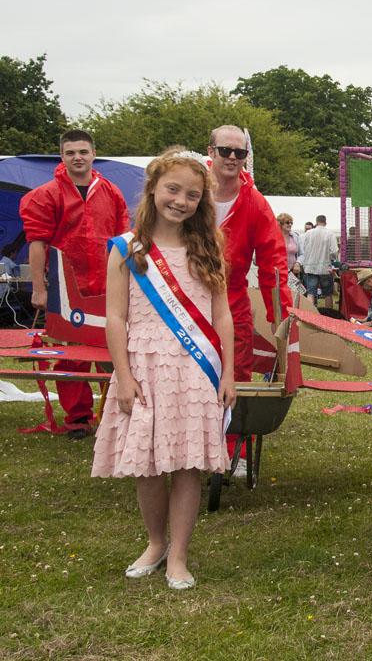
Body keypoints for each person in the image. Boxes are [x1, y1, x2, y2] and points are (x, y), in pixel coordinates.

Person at [91, 148, 236, 591]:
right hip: (143, 365)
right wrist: (124, 375)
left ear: (201, 202)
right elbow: (115, 317)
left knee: (189, 464)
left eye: (192, 195)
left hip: (194, 371)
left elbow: (222, 314)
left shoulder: (209, 248)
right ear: (153, 188)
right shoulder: (127, 249)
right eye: (173, 189)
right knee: (149, 466)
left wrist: (228, 371)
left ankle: (179, 556)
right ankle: (155, 543)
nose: (181, 200)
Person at [19, 129, 129, 439]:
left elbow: (124, 241)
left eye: (83, 151)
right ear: (63, 157)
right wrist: (40, 289)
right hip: (66, 290)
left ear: (94, 154)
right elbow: (37, 243)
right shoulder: (45, 195)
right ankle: (78, 418)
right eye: (70, 153)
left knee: (114, 350)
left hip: (108, 286)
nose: (77, 157)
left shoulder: (112, 192)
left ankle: (115, 412)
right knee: (70, 355)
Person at [207, 125, 292, 382]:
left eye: (239, 152)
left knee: (236, 371)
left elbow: (273, 265)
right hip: (186, 297)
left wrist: (281, 316)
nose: (232, 157)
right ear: (211, 152)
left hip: (233, 299)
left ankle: (236, 422)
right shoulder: (190, 192)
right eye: (225, 151)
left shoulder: (256, 203)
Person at [300, 214, 338, 306]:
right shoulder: (330, 234)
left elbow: (302, 249)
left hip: (310, 267)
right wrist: (331, 259)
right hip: (325, 268)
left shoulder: (307, 234)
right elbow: (334, 251)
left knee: (310, 293)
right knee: (328, 294)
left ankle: (310, 316)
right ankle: (328, 316)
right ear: (325, 223)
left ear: (316, 222)